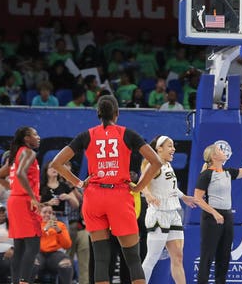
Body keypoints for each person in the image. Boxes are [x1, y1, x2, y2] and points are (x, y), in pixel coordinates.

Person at [50, 95, 163, 284]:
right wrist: (139, 187)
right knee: (133, 259)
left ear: (98, 114)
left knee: (101, 259)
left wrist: (79, 183)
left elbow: (57, 162)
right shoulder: (128, 134)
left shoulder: (87, 135)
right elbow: (156, 162)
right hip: (118, 195)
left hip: (94, 197)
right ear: (117, 114)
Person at [192, 137, 242, 284]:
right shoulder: (206, 174)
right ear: (214, 156)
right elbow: (197, 198)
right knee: (207, 255)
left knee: (224, 255)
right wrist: (214, 213)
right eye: (220, 150)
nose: (223, 151)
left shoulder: (227, 172)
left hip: (227, 216)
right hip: (211, 218)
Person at [140, 135, 197, 284]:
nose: (174, 149)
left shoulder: (167, 165)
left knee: (178, 257)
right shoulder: (154, 165)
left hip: (173, 214)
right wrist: (147, 195)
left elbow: (171, 187)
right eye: (170, 146)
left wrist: (184, 196)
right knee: (152, 257)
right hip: (159, 214)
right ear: (159, 148)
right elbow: (142, 183)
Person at [0, 127, 42, 284]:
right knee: (33, 246)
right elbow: (21, 173)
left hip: (14, 201)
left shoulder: (15, 155)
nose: (39, 137)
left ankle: (16, 281)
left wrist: (13, 187)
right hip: (25, 202)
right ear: (27, 139)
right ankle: (24, 281)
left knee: (20, 247)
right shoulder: (28, 153)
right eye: (35, 135)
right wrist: (32, 196)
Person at [34, 204, 73, 284]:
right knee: (32, 262)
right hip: (38, 252)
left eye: (50, 212)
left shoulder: (60, 225)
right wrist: (45, 229)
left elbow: (67, 245)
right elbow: (33, 240)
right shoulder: (35, 224)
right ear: (39, 213)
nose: (47, 214)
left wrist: (59, 231)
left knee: (66, 263)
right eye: (44, 212)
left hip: (54, 254)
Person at [0, 203, 12, 283]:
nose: (2, 213)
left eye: (3, 211)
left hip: (8, 253)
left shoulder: (12, 225)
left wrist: (13, 248)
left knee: (4, 263)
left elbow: (19, 241)